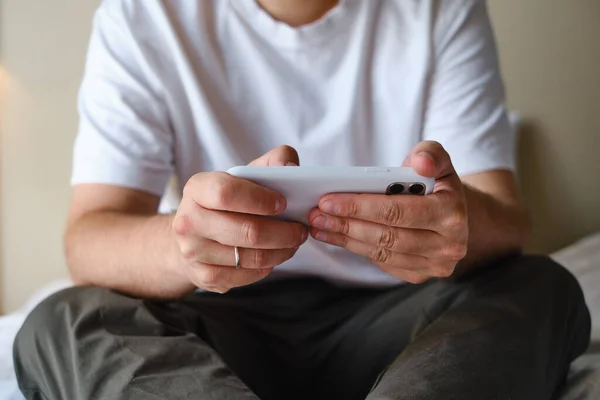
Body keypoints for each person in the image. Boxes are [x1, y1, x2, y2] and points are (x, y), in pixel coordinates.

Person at [13, 0, 590, 399]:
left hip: (402, 320)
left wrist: (454, 223)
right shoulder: (142, 16)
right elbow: (90, 235)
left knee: (542, 286)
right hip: (220, 319)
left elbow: (506, 218)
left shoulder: (440, 8)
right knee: (65, 319)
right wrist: (181, 245)